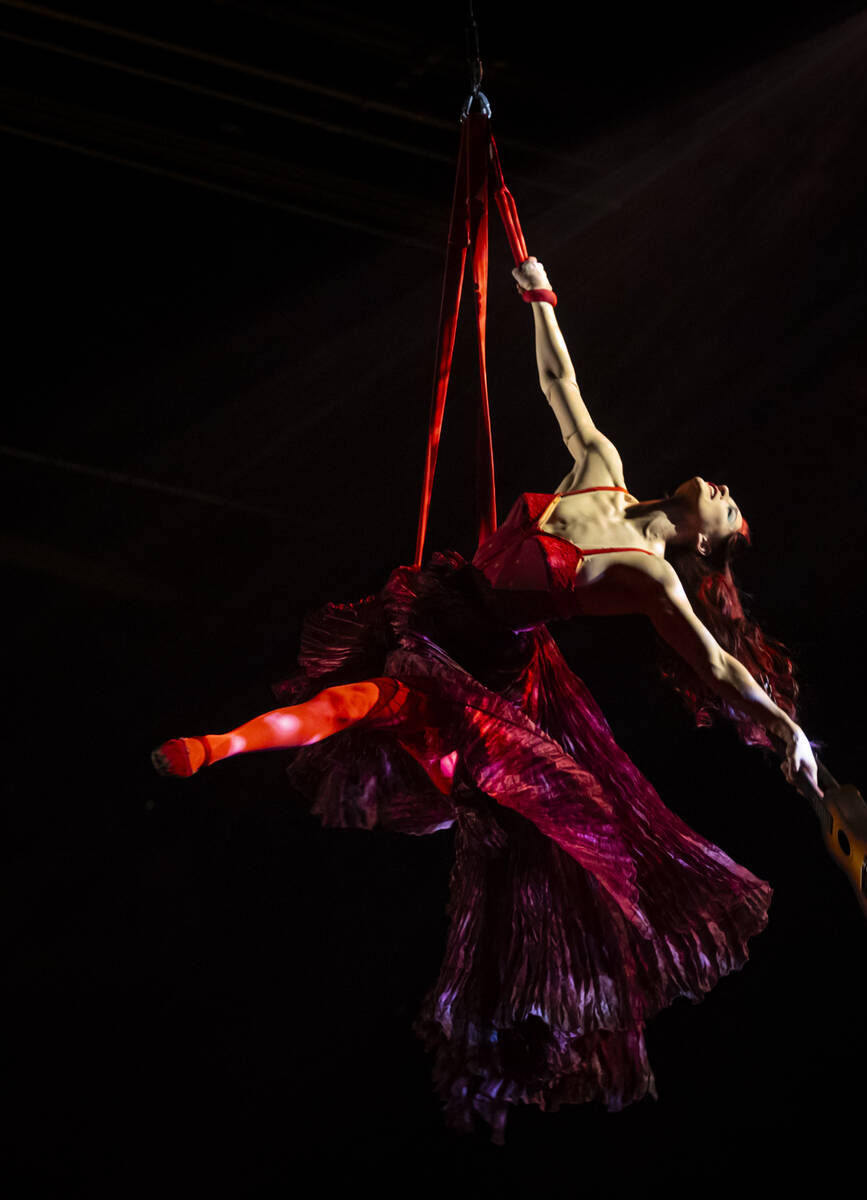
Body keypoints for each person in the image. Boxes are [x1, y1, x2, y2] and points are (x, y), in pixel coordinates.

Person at [153, 257, 820, 1144]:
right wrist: (539, 293)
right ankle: (225, 745)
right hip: (444, 606)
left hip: (485, 674)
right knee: (367, 698)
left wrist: (785, 727)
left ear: (707, 546)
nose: (722, 489)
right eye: (731, 493)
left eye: (729, 508)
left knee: (381, 708)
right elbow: (560, 382)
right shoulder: (605, 469)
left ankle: (228, 748)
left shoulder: (655, 579)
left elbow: (712, 665)